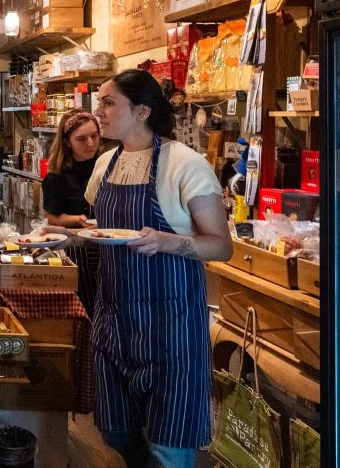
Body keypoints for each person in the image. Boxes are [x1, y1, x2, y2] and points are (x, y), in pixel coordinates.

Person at [44, 70, 231, 467]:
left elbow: (221, 245)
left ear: (142, 110)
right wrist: (69, 239)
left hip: (171, 327)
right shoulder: (106, 165)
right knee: (113, 427)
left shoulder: (186, 164)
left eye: (109, 103)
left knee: (169, 443)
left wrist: (167, 241)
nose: (99, 113)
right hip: (114, 320)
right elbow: (104, 229)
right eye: (100, 102)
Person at [41, 109, 101, 315]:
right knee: (87, 308)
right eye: (81, 139)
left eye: (94, 136)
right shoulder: (58, 175)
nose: (90, 143)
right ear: (67, 141)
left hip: (107, 245)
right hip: (76, 250)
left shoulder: (106, 165)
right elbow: (51, 216)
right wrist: (79, 219)